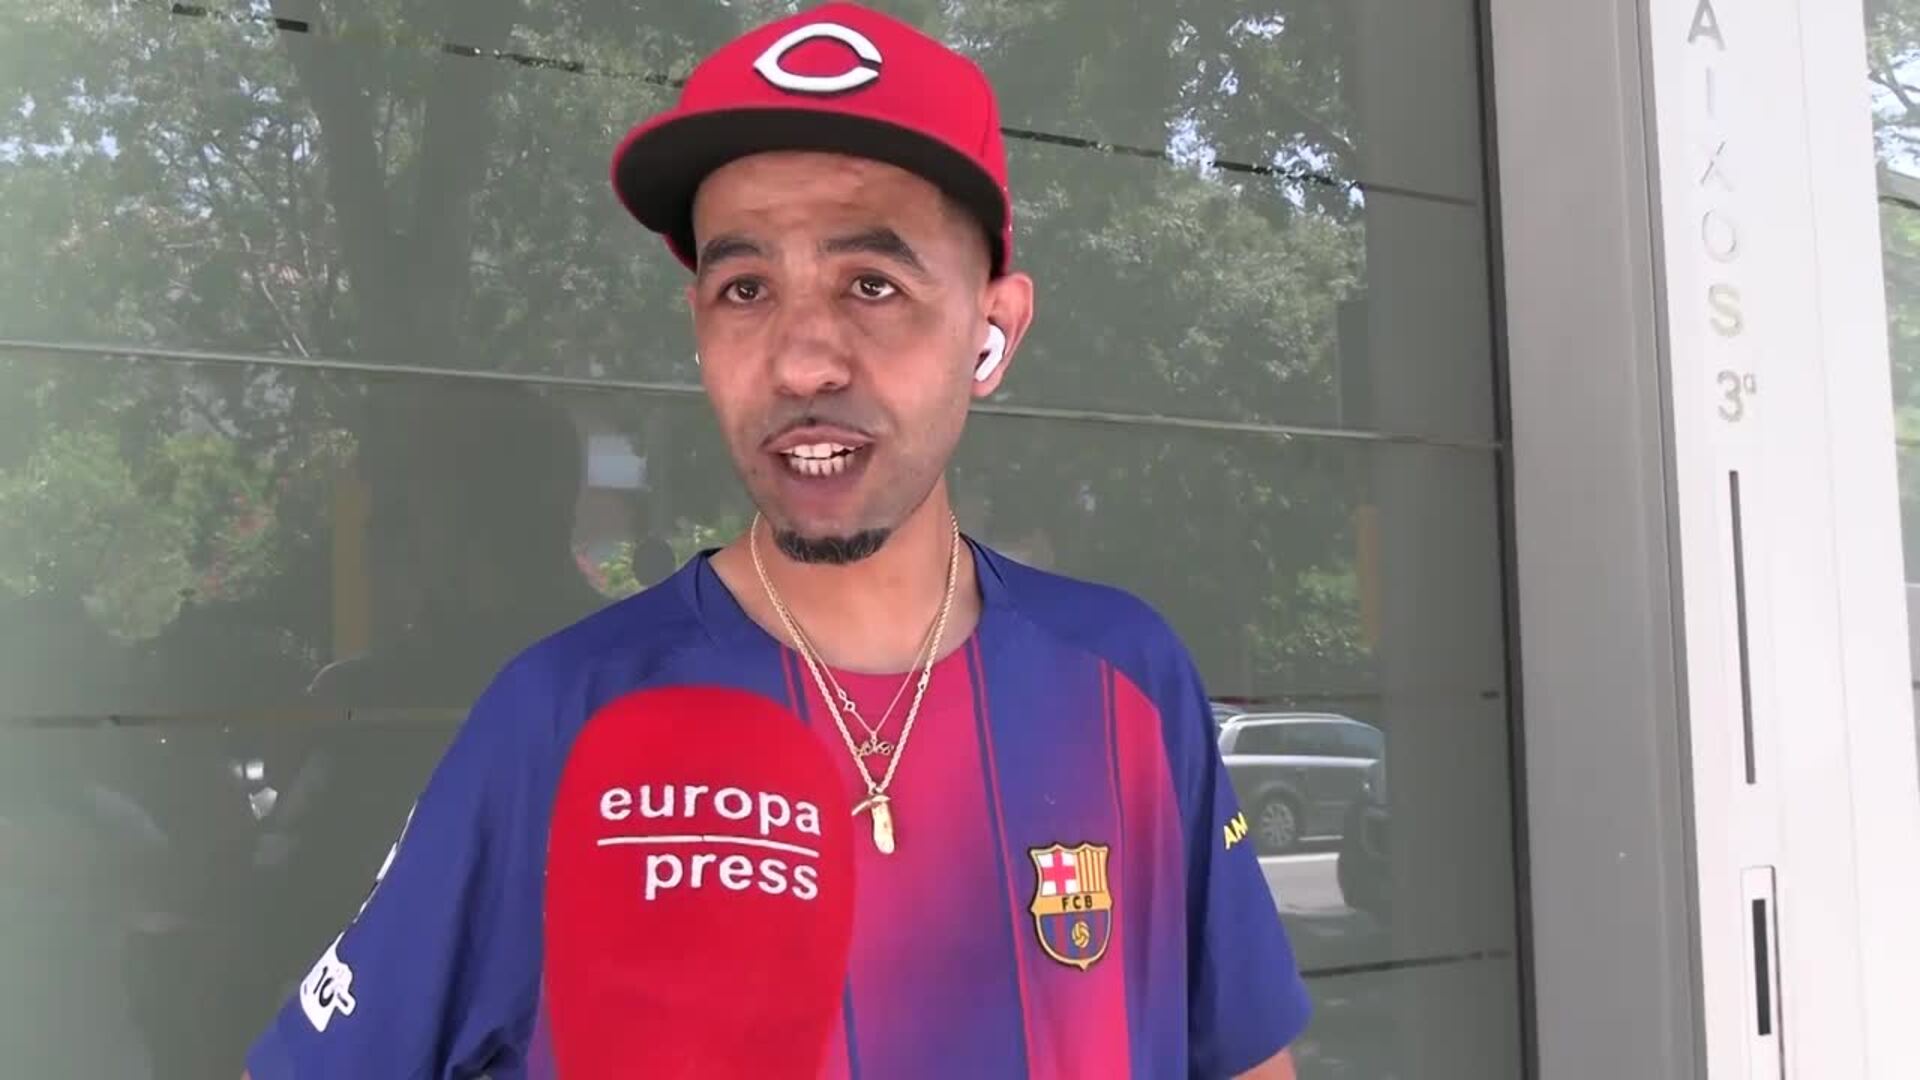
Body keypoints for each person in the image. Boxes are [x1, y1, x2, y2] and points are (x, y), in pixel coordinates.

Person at [243, 4, 1310, 1077]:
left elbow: (1246, 1059)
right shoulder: (564, 719)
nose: (801, 363)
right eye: (745, 289)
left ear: (993, 332)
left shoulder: (1128, 682)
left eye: (873, 285)